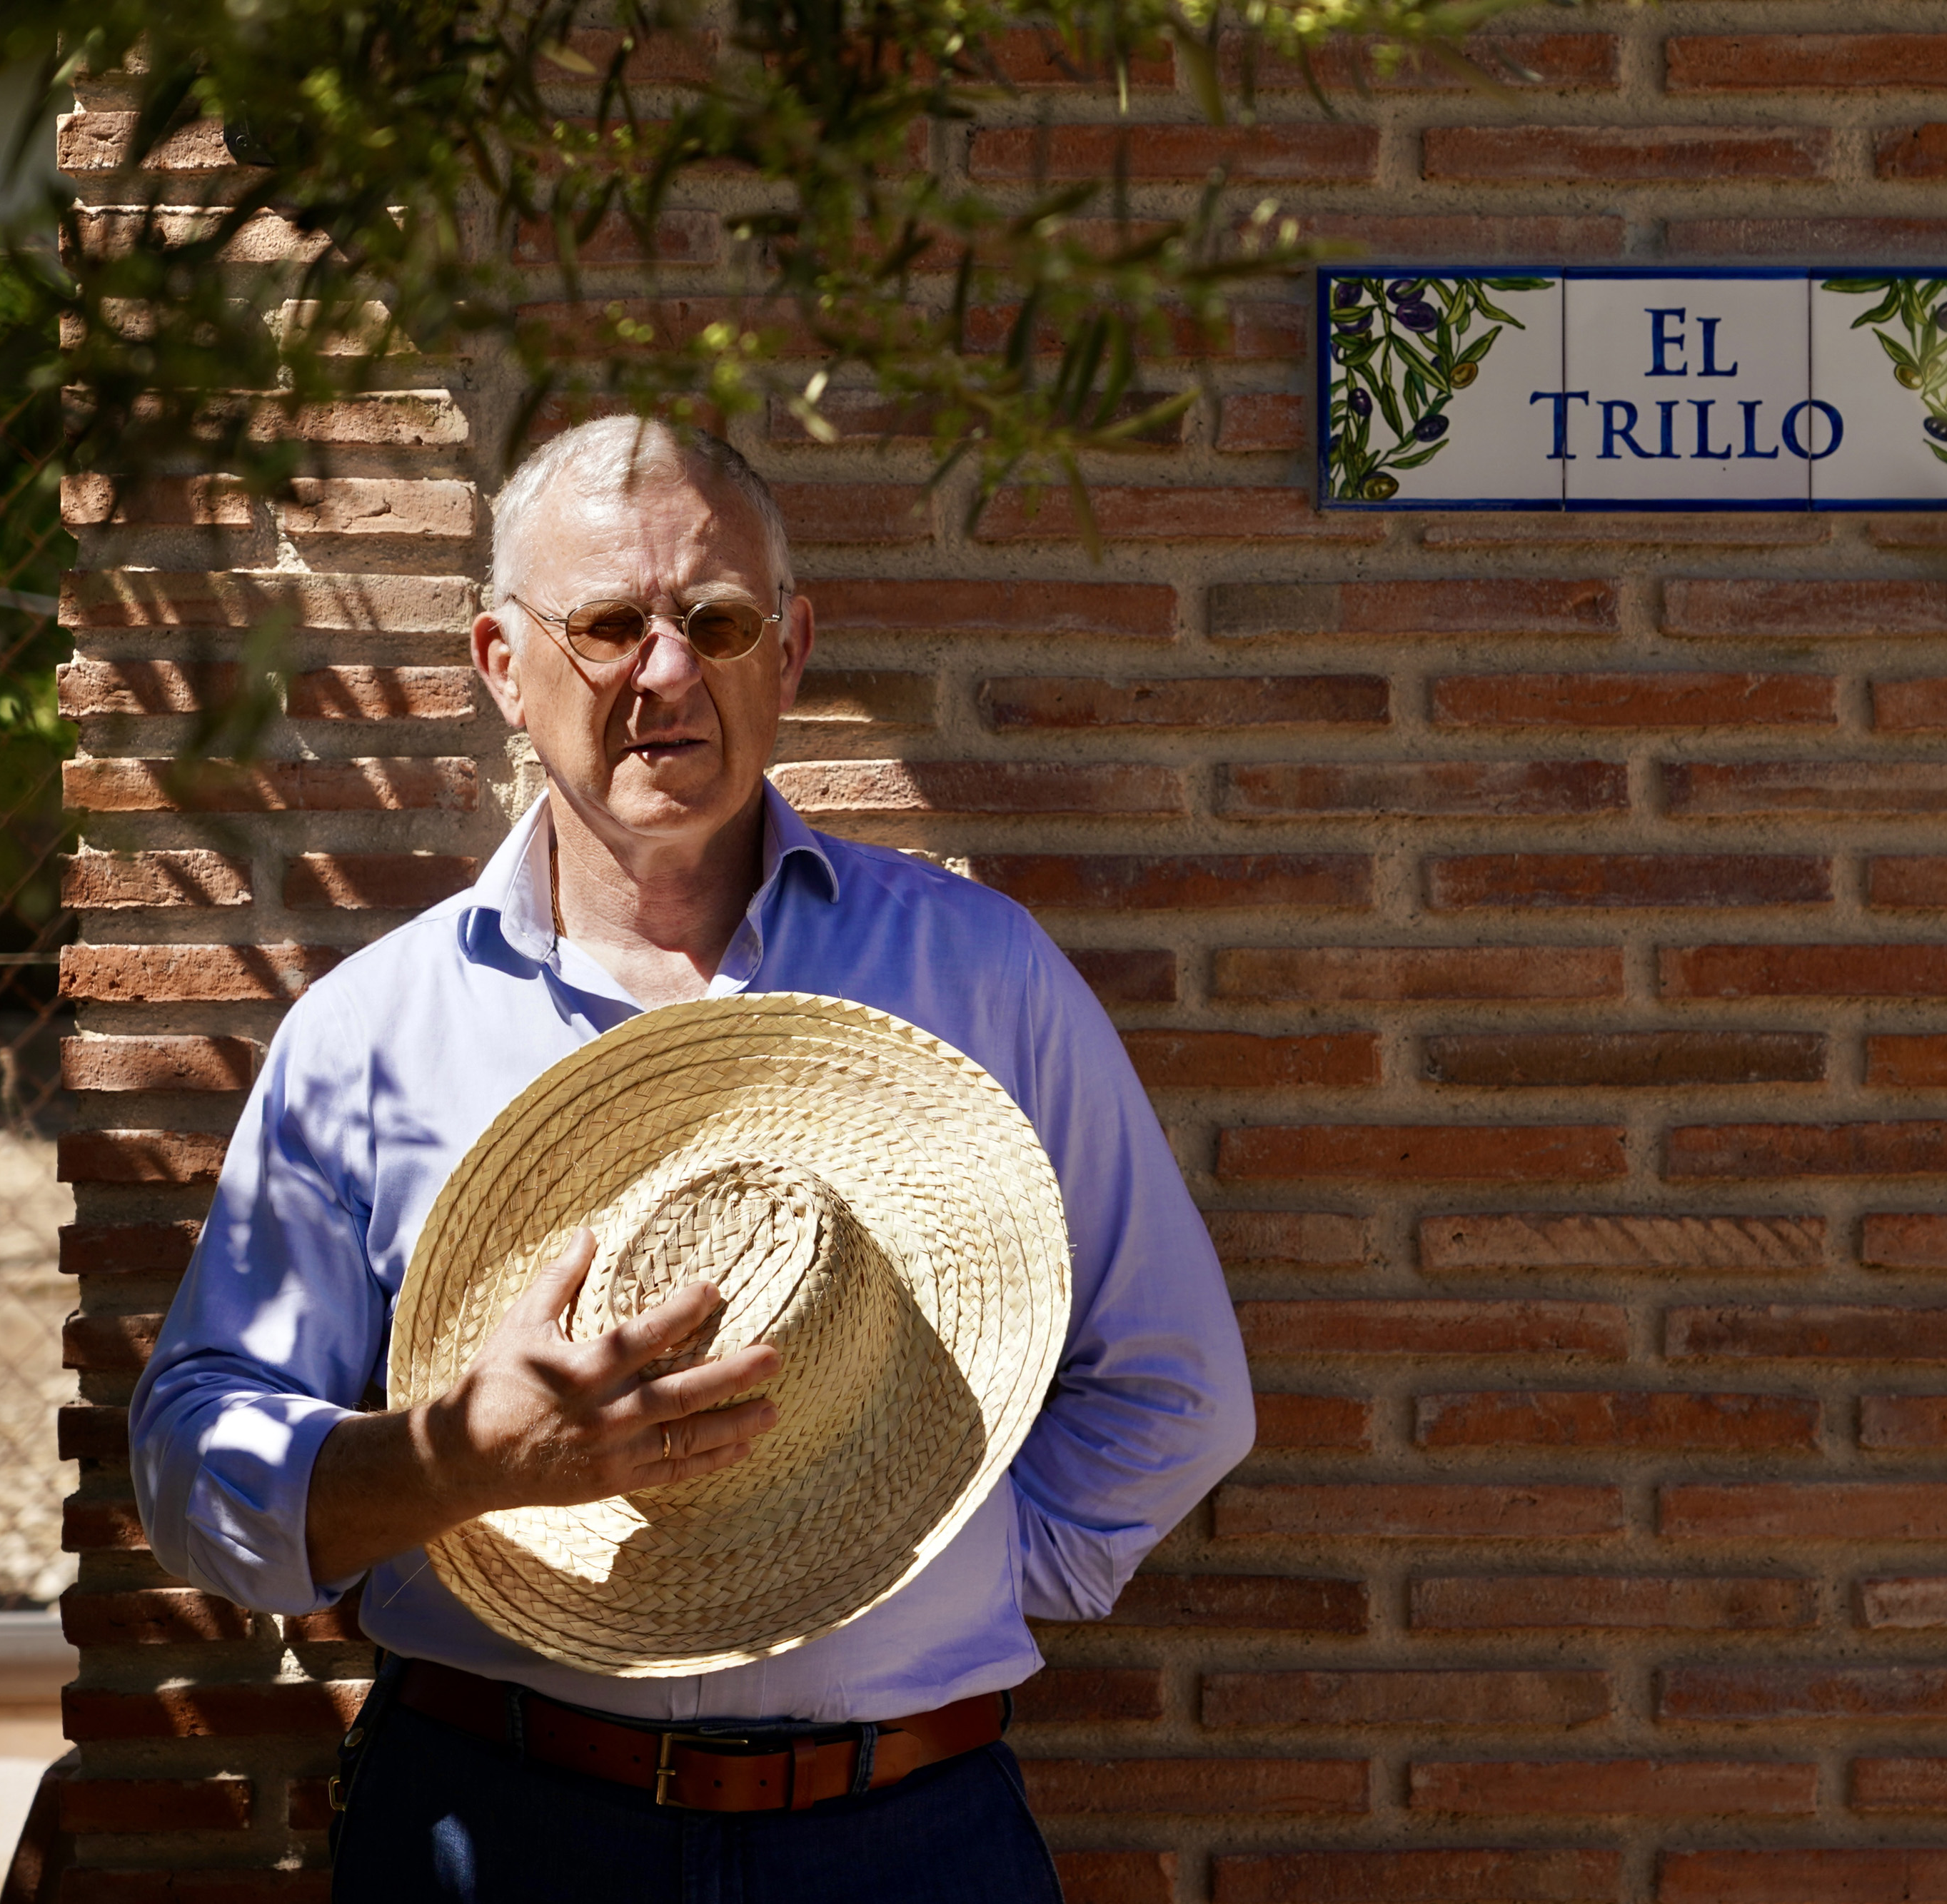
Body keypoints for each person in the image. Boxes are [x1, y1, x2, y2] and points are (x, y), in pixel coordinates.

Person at [129, 415, 1256, 1903]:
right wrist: (448, 1462)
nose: (666, 671)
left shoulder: (979, 975)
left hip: (904, 1836)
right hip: (498, 1831)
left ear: (789, 651)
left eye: (715, 621)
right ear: (501, 663)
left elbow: (1173, 1385)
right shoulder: (373, 1034)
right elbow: (191, 1454)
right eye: (607, 625)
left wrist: (949, 1554)